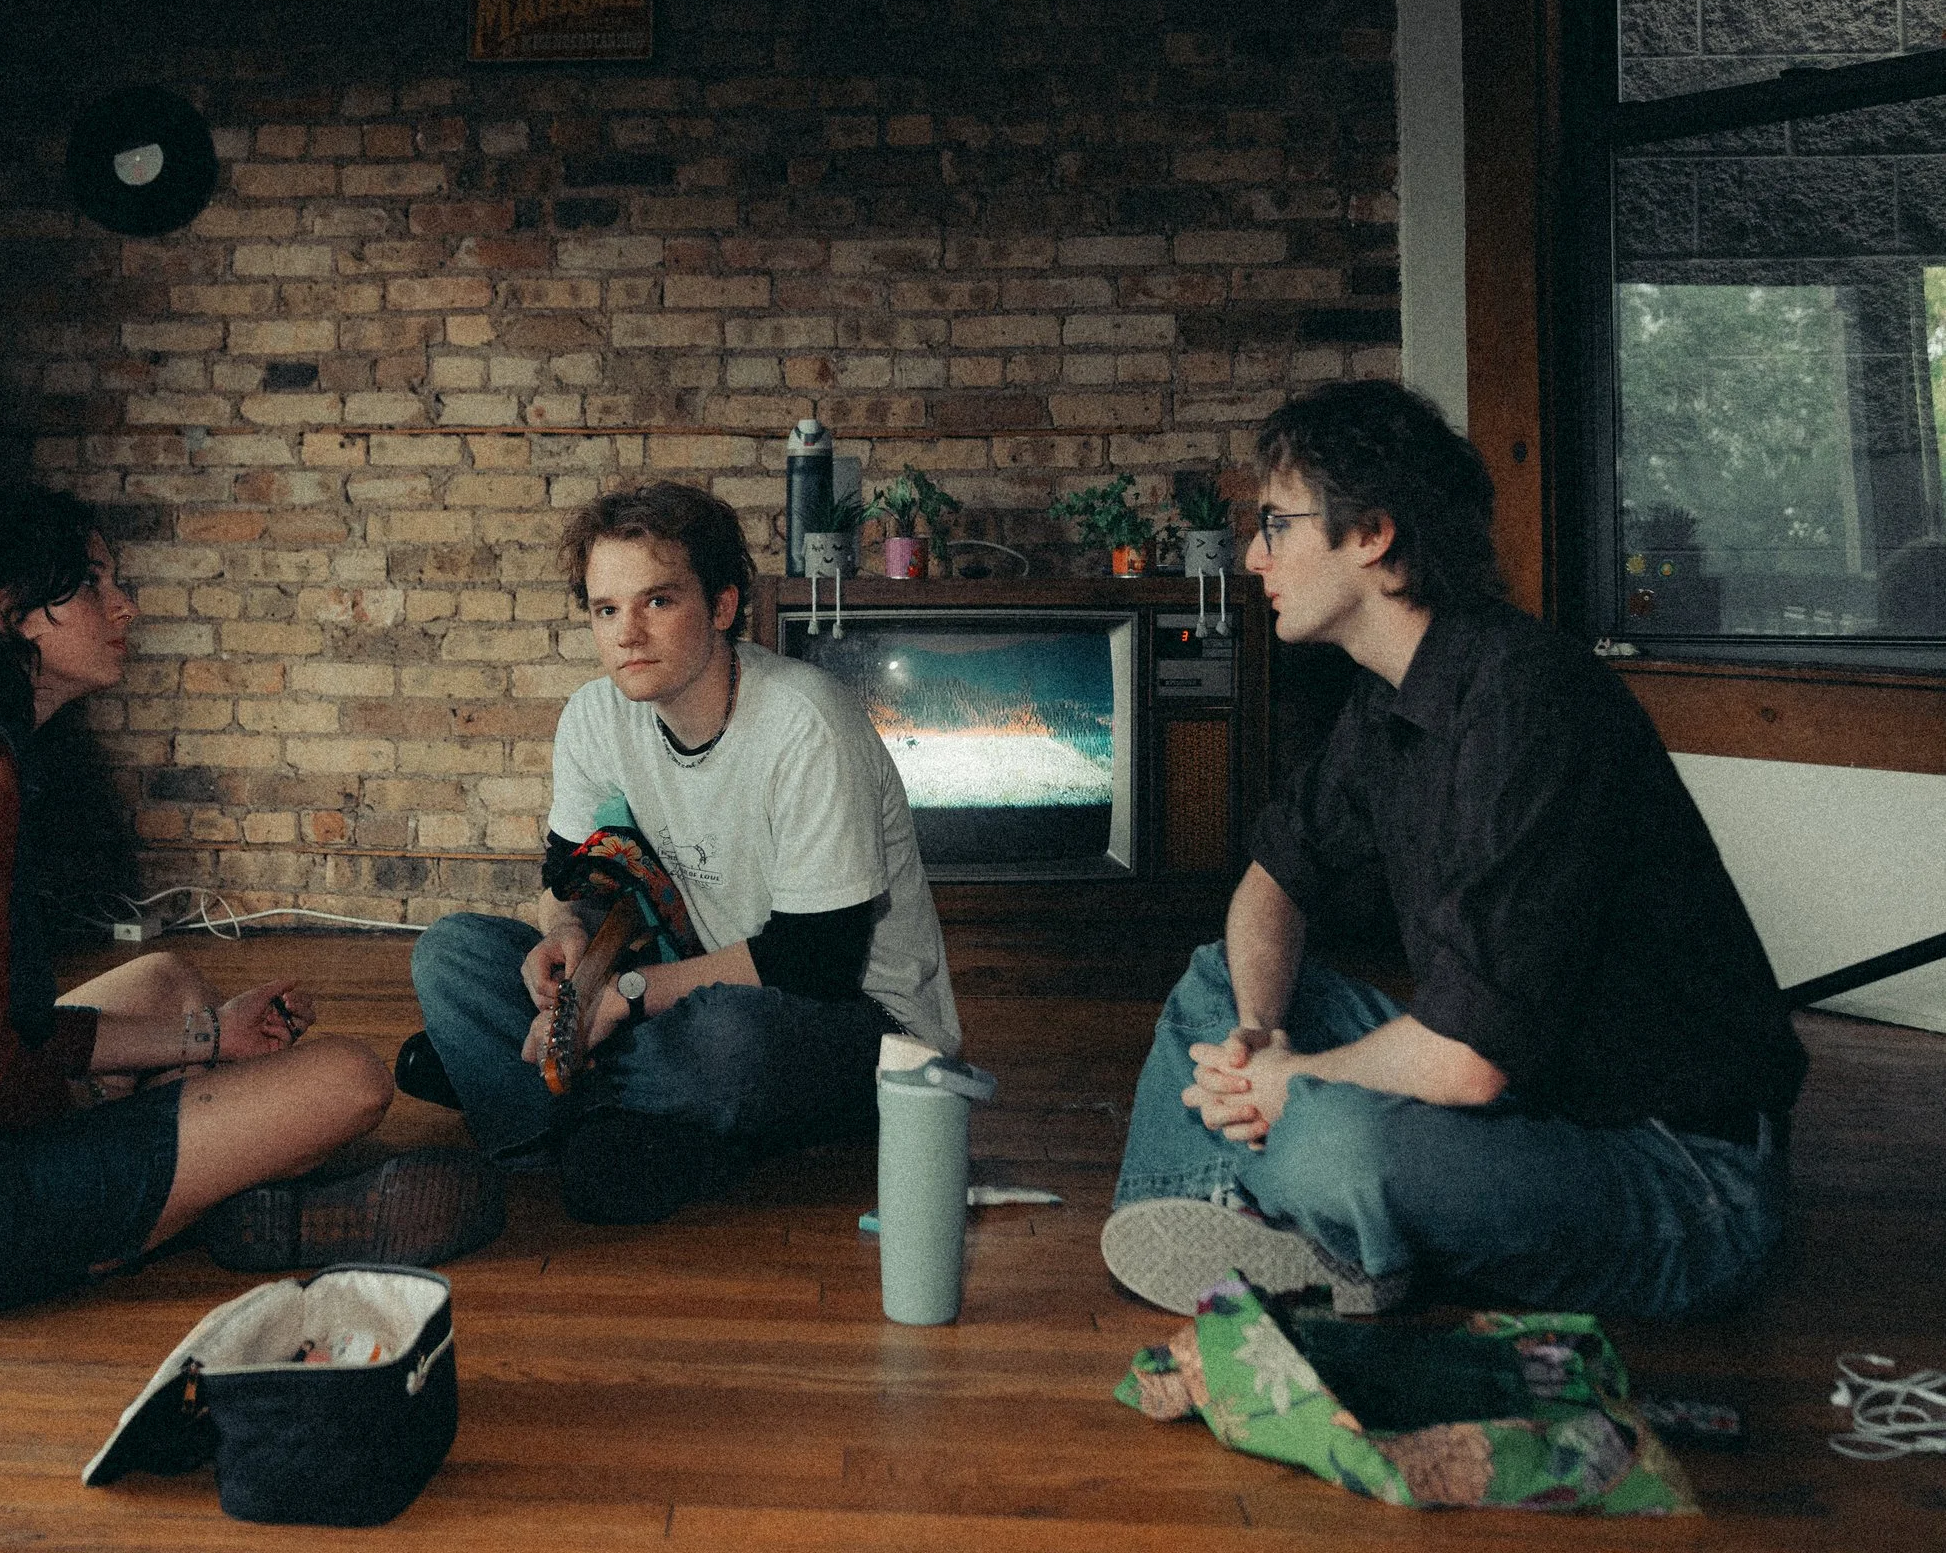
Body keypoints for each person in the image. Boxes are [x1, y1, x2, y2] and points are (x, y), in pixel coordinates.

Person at [0, 489, 499, 1329]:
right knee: (348, 1079)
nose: (124, 604)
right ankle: (198, 1210)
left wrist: (212, 1038)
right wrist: (113, 1102)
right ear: (1, 612)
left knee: (165, 981)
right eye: (88, 583)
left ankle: (187, 1193)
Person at [1100, 381, 1807, 1323]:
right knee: (1214, 985)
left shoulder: (1529, 704)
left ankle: (1304, 1224)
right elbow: (1272, 883)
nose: (1252, 553)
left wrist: (1287, 1083)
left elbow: (1469, 1061)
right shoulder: (1390, 695)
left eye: (1275, 522)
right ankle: (1248, 1227)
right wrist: (1262, 1033)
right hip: (1523, 1107)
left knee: (1333, 1141)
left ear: (1371, 535)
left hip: (1675, 1170)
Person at [403, 480, 960, 1224]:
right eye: (607, 609)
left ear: (724, 606)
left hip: (856, 1017)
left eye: (657, 602)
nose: (627, 633)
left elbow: (817, 961)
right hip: (694, 976)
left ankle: (549, 1101)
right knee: (451, 954)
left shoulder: (806, 725)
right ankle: (624, 1119)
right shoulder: (594, 716)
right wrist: (567, 943)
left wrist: (620, 1000)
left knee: (727, 1045)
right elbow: (572, 879)